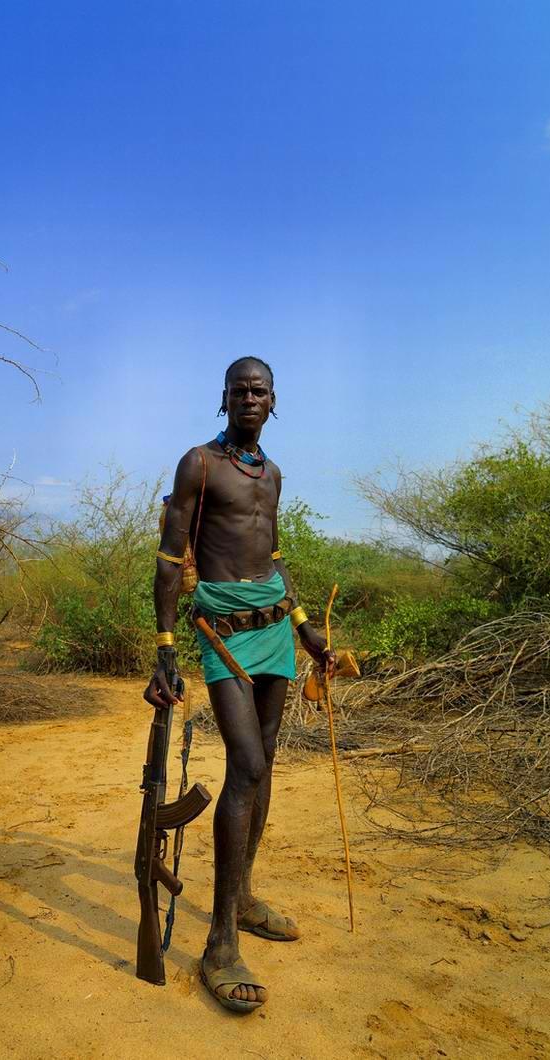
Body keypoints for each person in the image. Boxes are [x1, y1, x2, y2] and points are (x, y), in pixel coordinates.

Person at [143, 357, 334, 1013]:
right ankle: (220, 944)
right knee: (246, 764)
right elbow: (170, 560)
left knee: (267, 759)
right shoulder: (198, 464)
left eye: (259, 390)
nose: (249, 398)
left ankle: (244, 897)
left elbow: (274, 557)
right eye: (238, 390)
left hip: (275, 627)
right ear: (223, 399)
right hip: (222, 630)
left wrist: (305, 628)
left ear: (273, 400)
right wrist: (165, 649)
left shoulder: (271, 473)